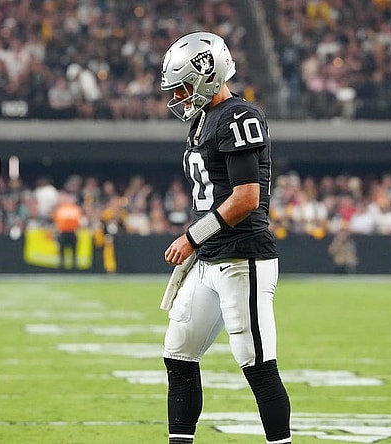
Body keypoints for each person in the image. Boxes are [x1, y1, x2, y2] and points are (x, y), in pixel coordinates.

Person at [159, 32, 292, 444]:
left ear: (207, 73)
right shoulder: (203, 120)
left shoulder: (238, 115)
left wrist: (192, 237)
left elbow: (246, 198)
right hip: (209, 259)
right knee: (178, 353)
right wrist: (199, 245)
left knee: (256, 363)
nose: (180, 96)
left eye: (183, 85)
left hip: (243, 258)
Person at [52, 193, 84, 269]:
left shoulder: (75, 209)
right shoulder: (60, 209)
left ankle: (74, 265)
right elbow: (57, 221)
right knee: (62, 249)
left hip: (72, 231)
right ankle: (62, 265)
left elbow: (79, 221)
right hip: (63, 232)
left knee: (74, 250)